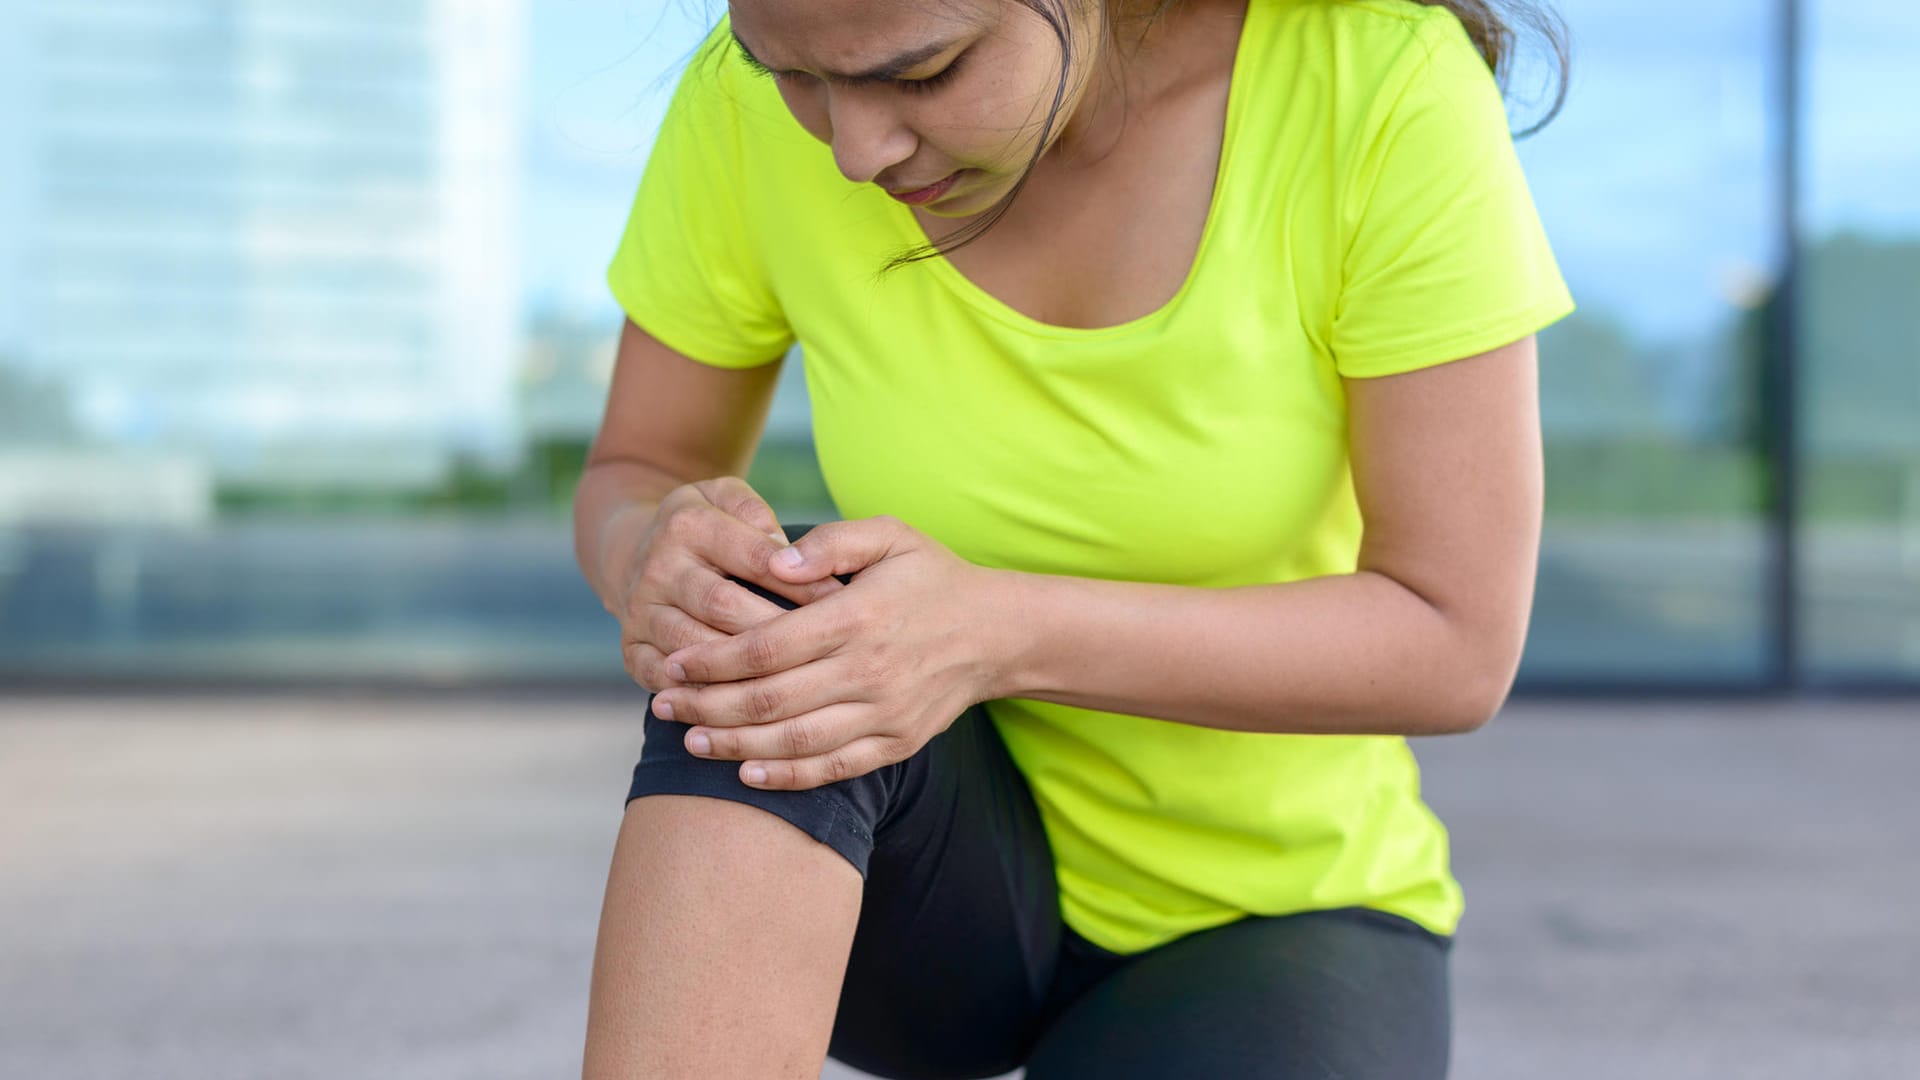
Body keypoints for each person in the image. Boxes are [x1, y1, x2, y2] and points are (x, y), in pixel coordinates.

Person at [574, 0, 1574, 1074]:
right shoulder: (755, 95)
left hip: (1265, 909)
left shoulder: (1380, 83)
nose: (856, 149)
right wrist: (649, 553)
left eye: (926, 74)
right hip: (922, 884)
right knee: (779, 618)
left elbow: (1455, 641)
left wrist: (993, 630)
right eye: (796, 78)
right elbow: (637, 471)